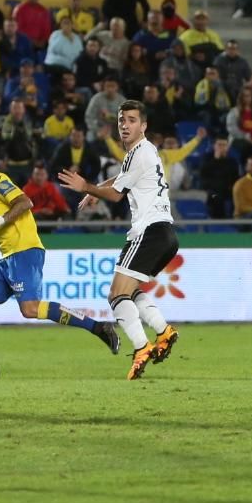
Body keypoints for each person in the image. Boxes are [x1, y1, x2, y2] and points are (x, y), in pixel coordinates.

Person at [0, 144, 120, 379]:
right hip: (7, 259)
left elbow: (25, 202)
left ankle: (98, 327)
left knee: (30, 309)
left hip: (25, 250)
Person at [58, 100, 181, 380]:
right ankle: (163, 330)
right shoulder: (141, 152)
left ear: (144, 125)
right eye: (122, 120)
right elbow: (122, 178)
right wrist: (97, 188)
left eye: (132, 120)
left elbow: (116, 195)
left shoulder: (142, 153)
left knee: (115, 294)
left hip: (149, 231)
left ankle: (141, 347)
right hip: (165, 234)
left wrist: (86, 187)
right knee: (129, 289)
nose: (125, 125)